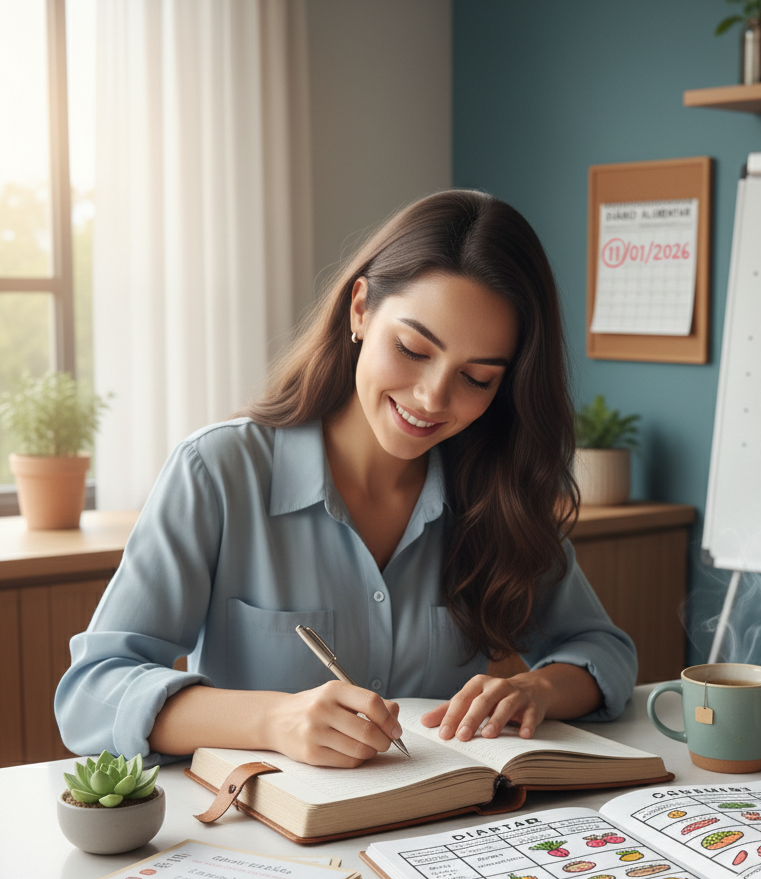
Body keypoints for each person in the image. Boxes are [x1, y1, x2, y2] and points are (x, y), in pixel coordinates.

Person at [55, 190, 637, 768]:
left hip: (440, 834)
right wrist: (271, 721)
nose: (432, 397)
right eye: (411, 349)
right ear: (360, 309)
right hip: (270, 839)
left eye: (477, 378)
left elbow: (602, 651)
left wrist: (536, 690)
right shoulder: (218, 473)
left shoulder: (497, 491)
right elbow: (91, 694)